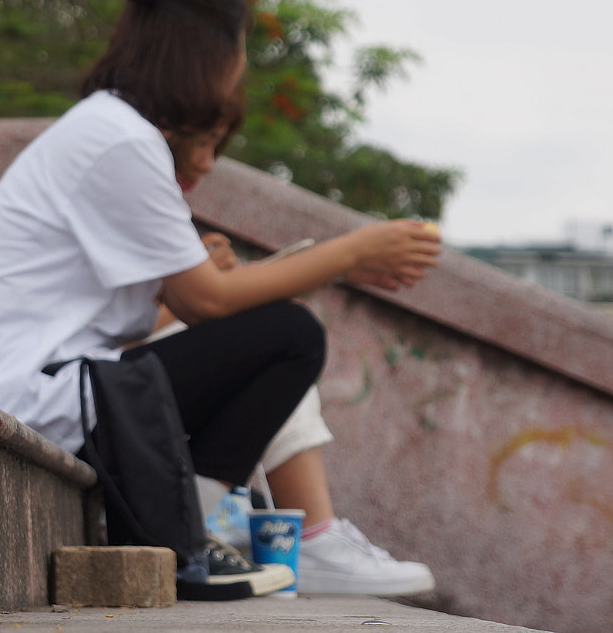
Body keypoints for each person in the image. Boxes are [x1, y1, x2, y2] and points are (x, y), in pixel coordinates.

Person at [0, 0, 441, 598]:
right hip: (35, 396)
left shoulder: (110, 128)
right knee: (290, 334)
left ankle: (212, 529)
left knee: (267, 328)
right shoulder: (120, 140)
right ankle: (196, 531)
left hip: (44, 384)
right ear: (214, 53)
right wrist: (350, 254)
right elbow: (206, 299)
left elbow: (172, 303)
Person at [163, 123, 436, 596]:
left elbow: (131, 316)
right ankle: (300, 533)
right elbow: (190, 308)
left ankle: (305, 533)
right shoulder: (123, 160)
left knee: (277, 337)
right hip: (69, 389)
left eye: (217, 146)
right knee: (288, 336)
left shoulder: (121, 163)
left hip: (82, 379)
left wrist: (193, 282)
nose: (207, 164)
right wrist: (352, 251)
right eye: (203, 143)